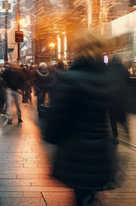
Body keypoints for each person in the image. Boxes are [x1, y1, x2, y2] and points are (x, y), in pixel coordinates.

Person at [43, 30, 122, 206]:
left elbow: (58, 116)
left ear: (79, 50)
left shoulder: (71, 78)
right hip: (100, 151)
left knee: (81, 197)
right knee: (90, 198)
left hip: (76, 152)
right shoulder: (108, 78)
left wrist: (51, 135)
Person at [107, 55, 130, 144]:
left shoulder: (109, 69)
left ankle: (115, 137)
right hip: (122, 98)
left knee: (113, 118)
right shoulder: (124, 70)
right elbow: (129, 82)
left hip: (111, 98)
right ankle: (126, 130)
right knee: (122, 117)